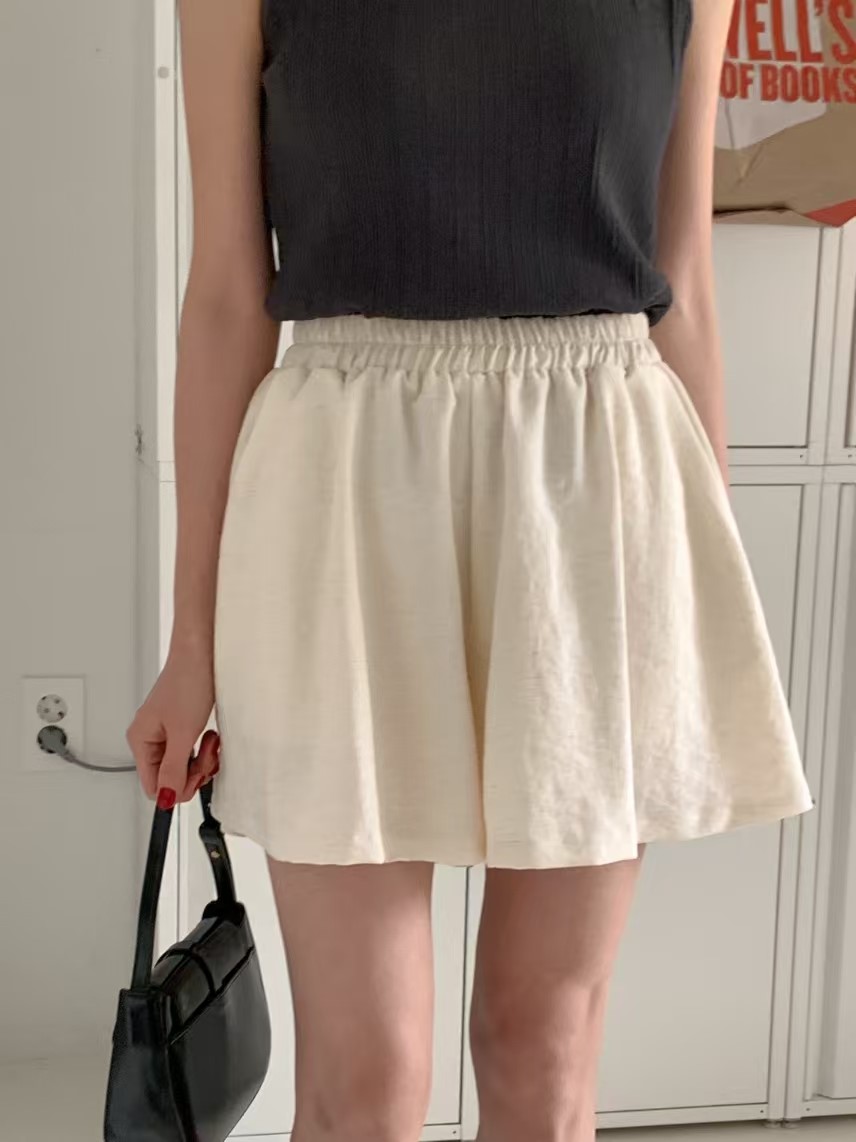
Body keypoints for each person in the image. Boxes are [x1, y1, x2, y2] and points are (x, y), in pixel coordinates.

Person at [126, 2, 814, 1139]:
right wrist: (190, 641)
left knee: (540, 1045)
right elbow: (226, 298)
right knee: (366, 1078)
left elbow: (683, 286)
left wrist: (697, 593)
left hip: (595, 491)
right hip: (340, 493)